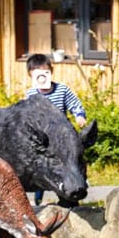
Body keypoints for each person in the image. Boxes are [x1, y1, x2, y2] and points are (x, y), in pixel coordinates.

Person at [24, 53, 87, 204]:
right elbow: (26, 113)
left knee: (66, 165)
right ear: (31, 76)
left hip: (61, 137)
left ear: (50, 72)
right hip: (43, 137)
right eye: (36, 74)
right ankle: (38, 197)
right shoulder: (31, 93)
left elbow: (75, 104)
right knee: (42, 166)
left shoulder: (62, 90)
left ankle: (69, 195)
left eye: (44, 72)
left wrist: (79, 116)